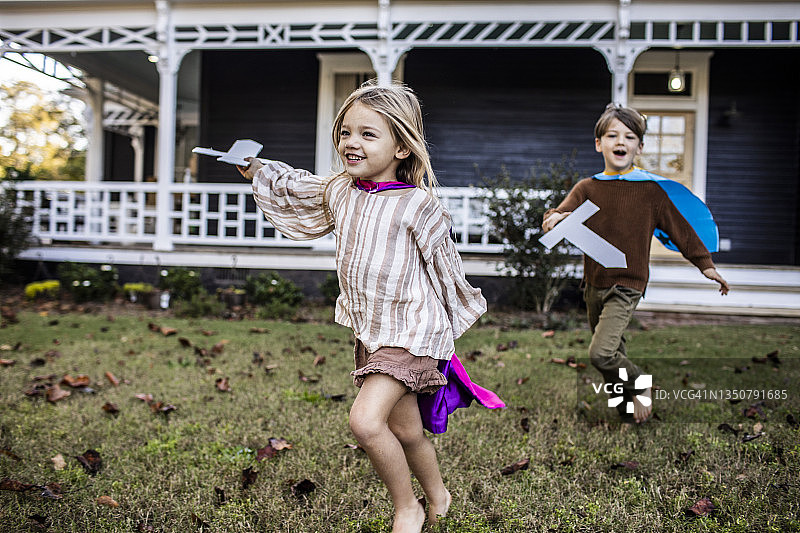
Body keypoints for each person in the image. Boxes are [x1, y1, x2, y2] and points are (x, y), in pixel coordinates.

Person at [237, 80, 502, 533]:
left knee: (364, 422)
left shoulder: (418, 205)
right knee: (406, 431)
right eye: (345, 132)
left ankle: (408, 508)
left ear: (401, 146)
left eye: (367, 134)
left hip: (412, 333)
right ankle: (440, 496)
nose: (351, 142)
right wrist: (260, 170)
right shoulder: (342, 191)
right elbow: (301, 186)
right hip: (372, 331)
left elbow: (446, 269)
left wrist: (448, 331)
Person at [542, 103, 730, 424]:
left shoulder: (650, 192)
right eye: (612, 135)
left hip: (628, 283)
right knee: (614, 353)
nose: (621, 141)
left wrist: (705, 265)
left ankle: (641, 383)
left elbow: (681, 230)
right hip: (594, 284)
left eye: (629, 137)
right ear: (599, 143)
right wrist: (554, 218)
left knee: (601, 353)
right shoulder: (587, 187)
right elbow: (556, 215)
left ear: (639, 147)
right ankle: (627, 413)